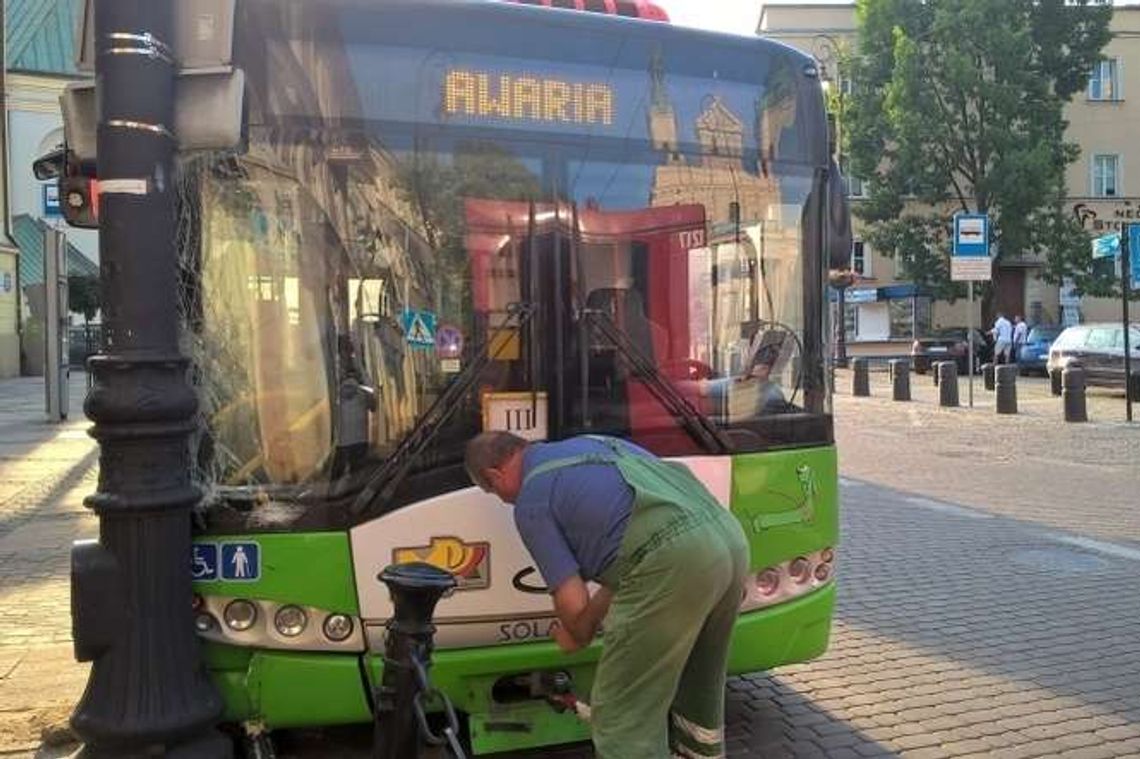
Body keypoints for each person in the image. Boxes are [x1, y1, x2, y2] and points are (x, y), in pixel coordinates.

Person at [464, 432, 749, 759]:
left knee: (622, 719)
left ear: (494, 475)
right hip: (727, 538)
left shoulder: (532, 500)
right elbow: (625, 573)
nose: (503, 499)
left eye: (494, 492)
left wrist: (571, 632)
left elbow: (577, 619)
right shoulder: (593, 443)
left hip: (672, 561)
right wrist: (585, 622)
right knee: (698, 692)